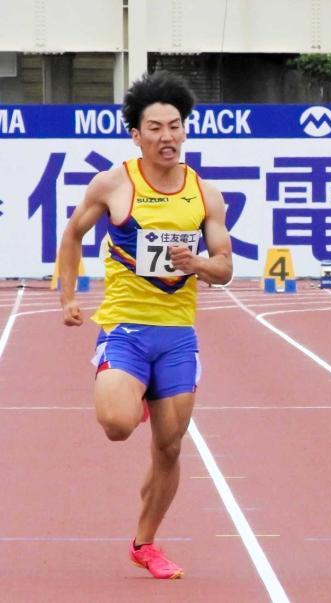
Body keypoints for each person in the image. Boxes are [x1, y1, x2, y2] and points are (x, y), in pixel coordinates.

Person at [58, 71, 233, 579]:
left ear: (185, 130)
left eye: (175, 126)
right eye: (154, 127)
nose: (166, 137)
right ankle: (132, 399)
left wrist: (196, 263)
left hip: (178, 335)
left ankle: (145, 542)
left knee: (170, 446)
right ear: (136, 134)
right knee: (116, 424)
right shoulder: (115, 184)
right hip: (127, 327)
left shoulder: (205, 194)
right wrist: (68, 296)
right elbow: (72, 234)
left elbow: (224, 267)